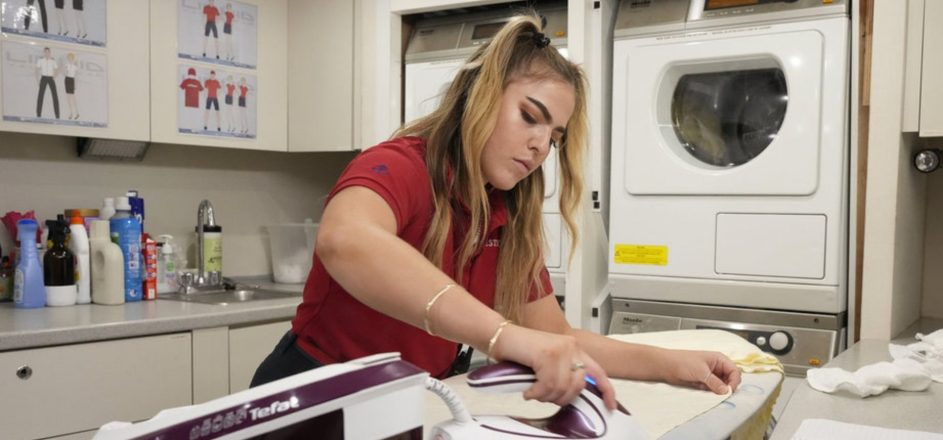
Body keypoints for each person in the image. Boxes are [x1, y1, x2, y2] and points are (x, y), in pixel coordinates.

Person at [250, 13, 740, 410]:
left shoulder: (503, 216)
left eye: (554, 136)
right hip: (311, 394)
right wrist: (505, 337)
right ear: (480, 94)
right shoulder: (399, 166)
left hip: (410, 400)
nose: (539, 145)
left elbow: (558, 337)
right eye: (530, 117)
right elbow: (345, 241)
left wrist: (675, 364)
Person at [36, 47, 59, 119]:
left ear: (50, 53)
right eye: (46, 52)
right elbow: (36, 70)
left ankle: (57, 115)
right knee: (40, 96)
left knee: (55, 96)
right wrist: (38, 80)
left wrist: (54, 77)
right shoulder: (40, 60)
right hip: (43, 78)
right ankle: (38, 114)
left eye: (48, 52)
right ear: (44, 52)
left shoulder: (53, 61)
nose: (47, 53)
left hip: (50, 78)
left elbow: (56, 69)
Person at [63, 52, 79, 120]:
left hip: (72, 80)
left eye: (71, 58)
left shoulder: (75, 67)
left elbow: (76, 76)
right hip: (67, 80)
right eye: (68, 58)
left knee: (72, 97)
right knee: (68, 97)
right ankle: (71, 113)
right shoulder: (66, 65)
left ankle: (77, 112)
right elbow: (65, 73)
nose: (70, 59)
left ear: (73, 59)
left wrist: (75, 84)